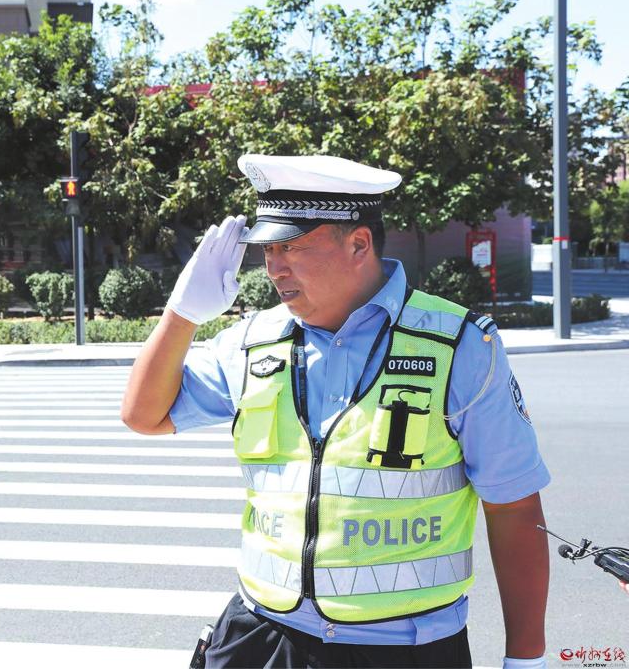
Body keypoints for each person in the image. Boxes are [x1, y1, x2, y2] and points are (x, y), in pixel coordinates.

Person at [122, 155, 550, 669]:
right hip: (261, 635)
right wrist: (182, 313)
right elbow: (143, 415)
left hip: (402, 649)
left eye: (291, 247)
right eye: (267, 250)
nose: (274, 268)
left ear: (359, 244)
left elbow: (514, 508)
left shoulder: (458, 347)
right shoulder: (253, 343)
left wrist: (526, 660)